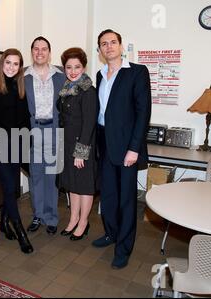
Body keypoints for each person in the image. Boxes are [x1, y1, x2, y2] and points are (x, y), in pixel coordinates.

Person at [92, 29, 151, 269]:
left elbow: (143, 113)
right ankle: (111, 233)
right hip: (104, 142)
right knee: (108, 196)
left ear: (120, 46)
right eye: (103, 44)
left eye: (112, 42)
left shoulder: (136, 72)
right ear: (100, 50)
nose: (108, 47)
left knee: (126, 200)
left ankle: (124, 248)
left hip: (127, 145)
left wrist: (134, 149)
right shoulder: (99, 74)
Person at [0, 48, 33, 253]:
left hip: (16, 145)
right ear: (2, 63)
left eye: (16, 64)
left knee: (13, 189)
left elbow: (24, 121)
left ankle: (4, 222)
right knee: (8, 188)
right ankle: (20, 230)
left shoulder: (20, 86)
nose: (11, 67)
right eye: (8, 63)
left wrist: (25, 145)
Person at [25, 36, 66, 235]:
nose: (40, 52)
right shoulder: (23, 76)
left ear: (49, 52)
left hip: (54, 129)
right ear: (31, 51)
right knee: (36, 176)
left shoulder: (61, 76)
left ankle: (51, 217)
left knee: (51, 177)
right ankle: (38, 215)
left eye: (44, 49)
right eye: (36, 49)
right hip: (33, 130)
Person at [57, 47, 98, 241]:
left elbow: (89, 123)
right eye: (68, 67)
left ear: (84, 67)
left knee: (84, 186)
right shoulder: (66, 89)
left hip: (83, 146)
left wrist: (81, 152)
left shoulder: (88, 91)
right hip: (67, 144)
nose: (73, 71)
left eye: (77, 67)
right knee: (73, 185)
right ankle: (73, 219)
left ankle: (83, 222)